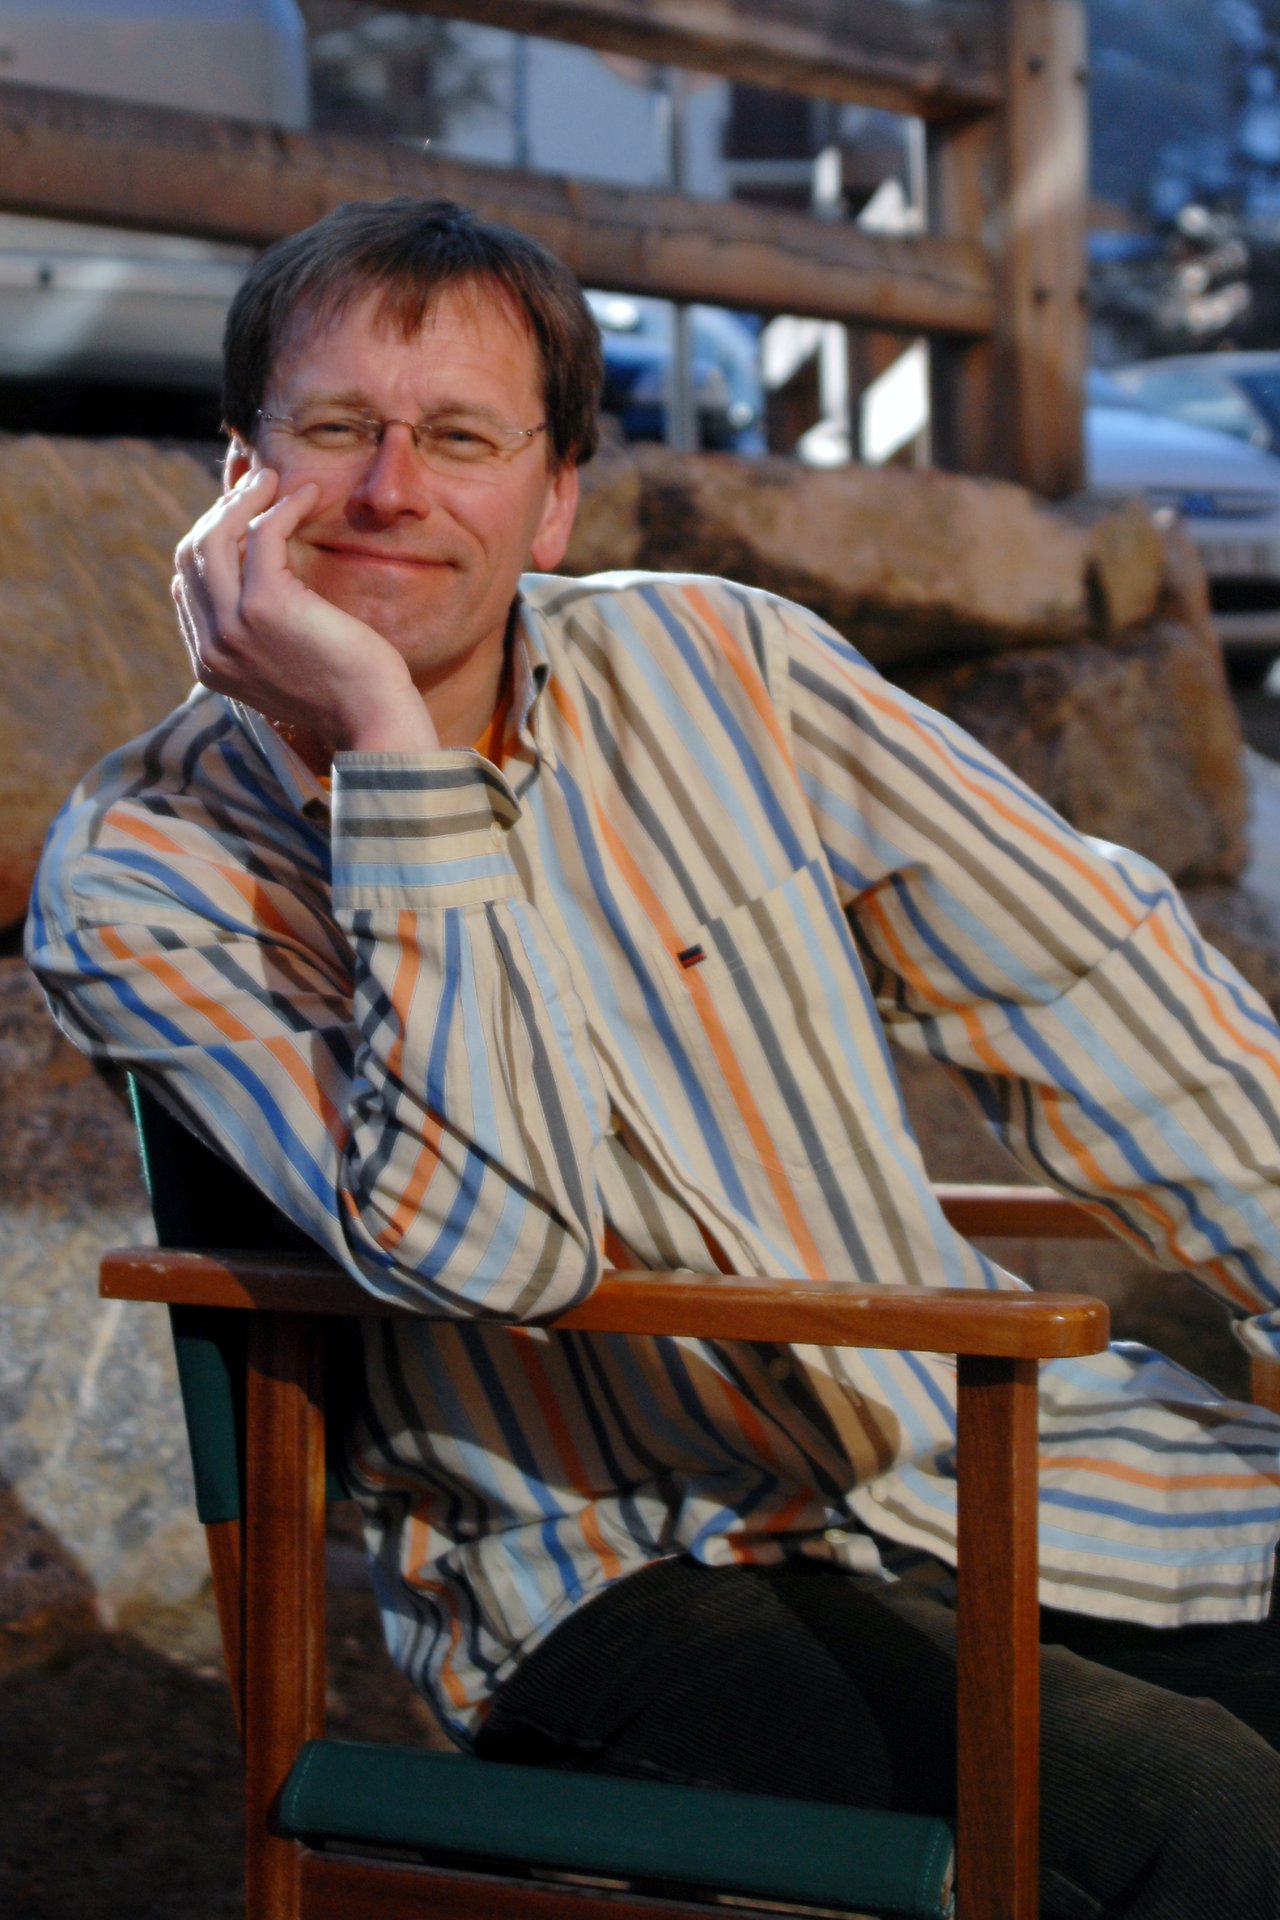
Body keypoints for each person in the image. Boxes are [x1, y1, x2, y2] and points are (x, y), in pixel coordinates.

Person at [26, 196, 1280, 1917]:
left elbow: (1095, 985)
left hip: (972, 1453)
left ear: (553, 502)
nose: (393, 488)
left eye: (460, 438)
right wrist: (392, 752)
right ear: (234, 478)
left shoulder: (727, 664)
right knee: (1208, 1823)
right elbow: (497, 1251)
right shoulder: (141, 870)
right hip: (608, 1572)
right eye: (334, 431)